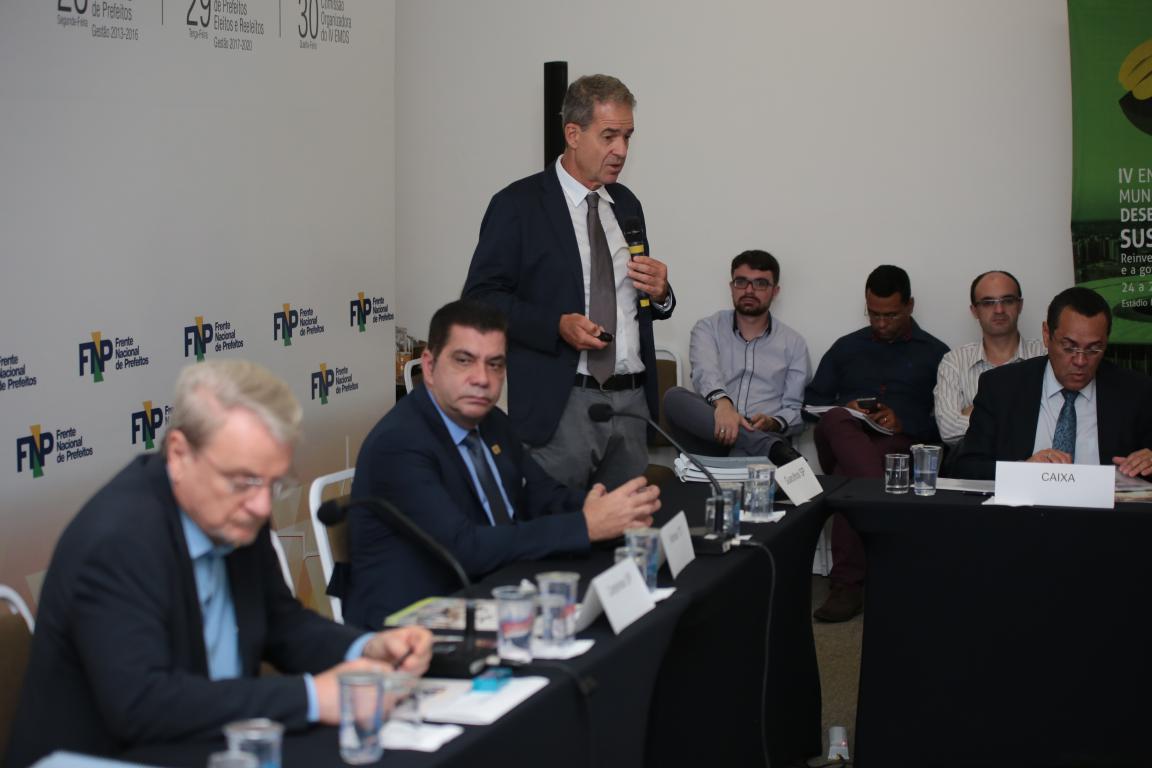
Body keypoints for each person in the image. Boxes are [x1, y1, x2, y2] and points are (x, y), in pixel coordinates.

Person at [6, 360, 432, 767]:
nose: (262, 505)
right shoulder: (118, 542)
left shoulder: (234, 512)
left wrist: (365, 647)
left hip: (213, 746)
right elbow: (142, 705)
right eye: (244, 481)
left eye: (274, 483)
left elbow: (282, 624)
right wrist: (311, 697)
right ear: (179, 454)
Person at [344, 300, 661, 628]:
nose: (481, 378)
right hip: (413, 624)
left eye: (494, 364)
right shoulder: (399, 444)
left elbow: (542, 495)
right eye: (464, 361)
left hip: (495, 593)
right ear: (429, 366)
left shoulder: (492, 421)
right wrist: (585, 525)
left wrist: (606, 509)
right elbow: (464, 548)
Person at [463, 73, 674, 492]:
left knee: (624, 528)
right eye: (609, 136)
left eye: (628, 137)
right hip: (561, 404)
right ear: (573, 134)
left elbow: (635, 302)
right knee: (557, 525)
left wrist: (662, 293)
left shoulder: (626, 204)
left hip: (631, 404)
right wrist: (555, 325)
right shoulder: (518, 206)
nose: (621, 150)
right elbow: (480, 300)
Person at [805, 265, 948, 622]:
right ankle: (879, 505)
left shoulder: (936, 353)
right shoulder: (846, 347)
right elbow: (810, 405)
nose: (881, 323)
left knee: (851, 475)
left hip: (896, 446)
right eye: (874, 314)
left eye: (891, 315)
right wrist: (848, 408)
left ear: (910, 305)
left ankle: (847, 585)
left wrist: (904, 422)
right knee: (836, 418)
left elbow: (945, 426)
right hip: (840, 436)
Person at [951, 287, 1152, 480]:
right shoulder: (1001, 387)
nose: (1080, 361)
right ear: (1047, 335)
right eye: (1069, 347)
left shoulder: (1136, 391)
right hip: (1024, 503)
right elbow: (966, 467)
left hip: (1106, 505)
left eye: (1093, 349)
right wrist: (1022, 469)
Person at [663, 249, 809, 462]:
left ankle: (758, 444)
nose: (749, 290)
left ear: (775, 291)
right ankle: (769, 448)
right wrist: (724, 406)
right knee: (674, 397)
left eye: (760, 283)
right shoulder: (708, 328)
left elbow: (795, 410)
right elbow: (706, 373)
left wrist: (773, 422)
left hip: (764, 432)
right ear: (731, 286)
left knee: (747, 450)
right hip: (712, 431)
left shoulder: (794, 343)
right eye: (741, 282)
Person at [934, 270, 1046, 446]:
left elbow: (1055, 422)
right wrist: (1022, 413)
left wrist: (981, 412)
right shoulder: (954, 361)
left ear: (1020, 305)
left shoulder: (1045, 354)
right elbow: (948, 430)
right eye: (988, 303)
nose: (999, 310)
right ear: (974, 311)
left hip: (1037, 461)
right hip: (977, 463)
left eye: (1007, 301)